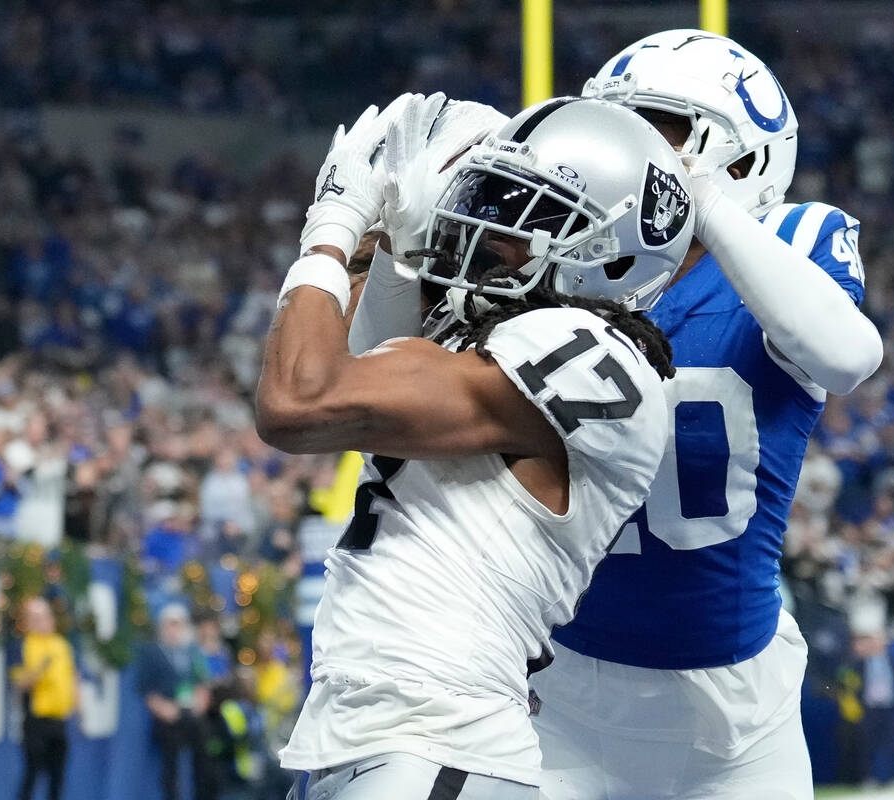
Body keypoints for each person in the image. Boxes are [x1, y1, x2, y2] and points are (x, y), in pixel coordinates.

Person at [258, 93, 691, 799]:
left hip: (434, 744)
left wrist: (332, 224)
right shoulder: (484, 344)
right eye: (489, 199)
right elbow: (346, 365)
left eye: (525, 211)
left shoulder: (578, 346)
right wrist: (390, 241)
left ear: (608, 253)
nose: (488, 227)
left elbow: (300, 400)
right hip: (387, 740)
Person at [525, 29, 883, 800]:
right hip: (564, 690)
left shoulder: (793, 243)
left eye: (656, 126)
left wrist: (708, 205)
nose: (626, 151)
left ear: (743, 156)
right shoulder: (555, 265)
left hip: (738, 717)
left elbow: (847, 356)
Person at [136, 603, 216, 800]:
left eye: (178, 624)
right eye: (170, 625)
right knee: (170, 763)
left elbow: (203, 682)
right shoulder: (152, 654)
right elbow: (147, 690)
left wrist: (200, 703)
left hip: (191, 712)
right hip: (168, 715)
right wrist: (163, 708)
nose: (174, 630)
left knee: (205, 752)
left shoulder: (192, 652)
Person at [10, 597, 76, 800]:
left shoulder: (61, 645)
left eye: (44, 616)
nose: (42, 622)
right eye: (35, 618)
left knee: (57, 776)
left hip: (59, 719)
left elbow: (72, 676)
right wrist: (38, 670)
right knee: (32, 773)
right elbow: (19, 683)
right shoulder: (22, 645)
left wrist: (80, 709)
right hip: (35, 719)